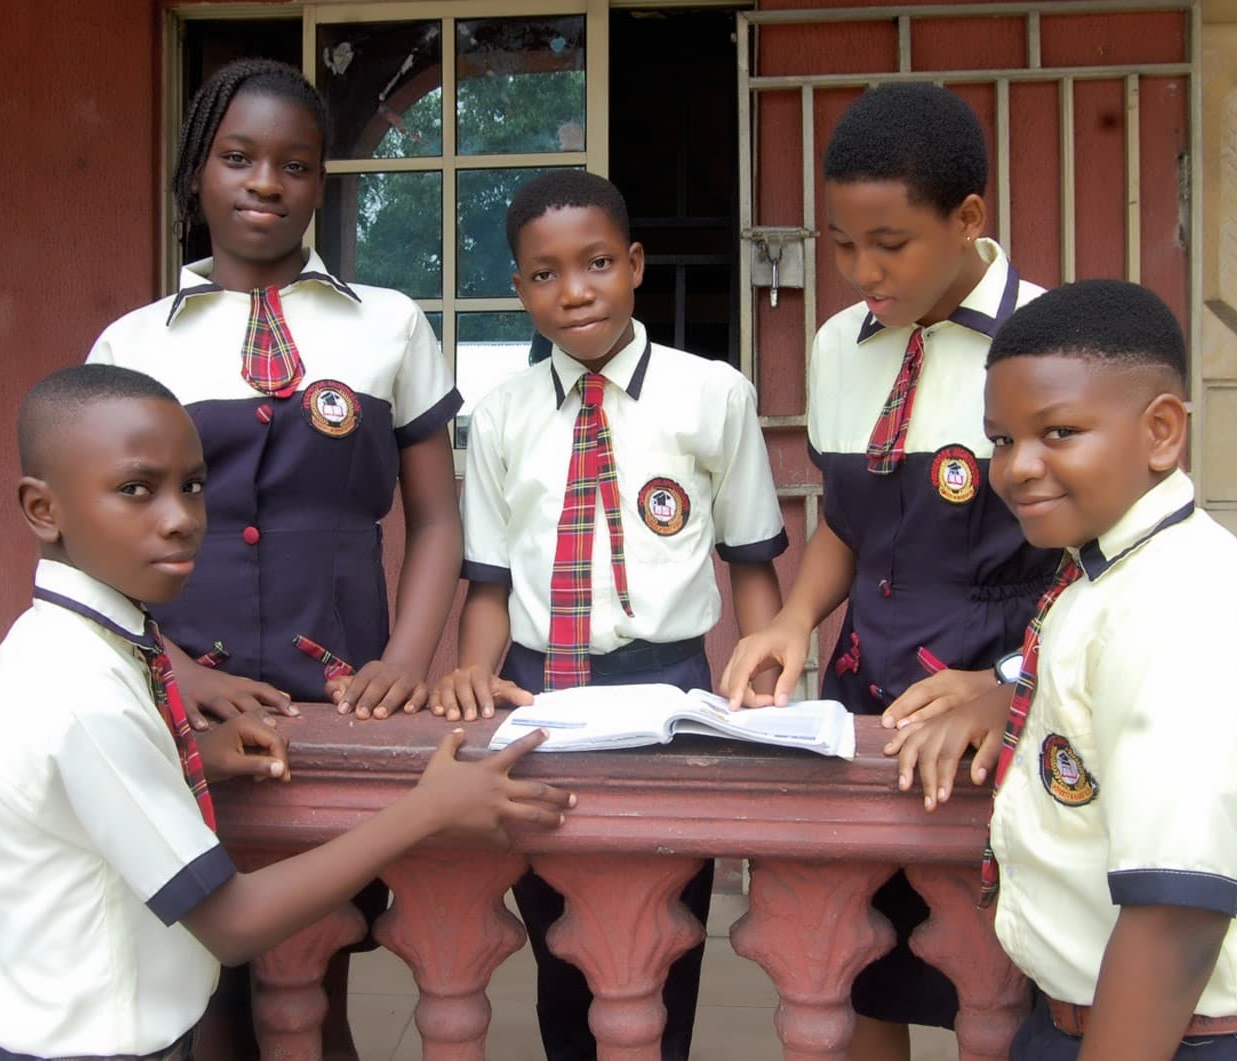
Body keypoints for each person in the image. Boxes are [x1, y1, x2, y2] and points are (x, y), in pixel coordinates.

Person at [0, 364, 572, 1061]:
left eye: (191, 485)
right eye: (135, 489)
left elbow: (77, 798)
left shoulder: (69, 641)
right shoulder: (78, 689)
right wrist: (428, 809)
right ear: (43, 508)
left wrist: (191, 759)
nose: (181, 517)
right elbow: (234, 923)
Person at [87, 59, 463, 1056]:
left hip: (336, 696)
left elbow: (434, 520)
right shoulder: (131, 345)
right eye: (238, 158)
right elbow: (98, 549)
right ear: (196, 173)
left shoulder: (387, 325)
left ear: (320, 183)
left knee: (314, 971)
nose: (265, 182)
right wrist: (178, 669)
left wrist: (405, 660)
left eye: (294, 164)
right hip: (182, 699)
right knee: (198, 986)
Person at [889, 279, 1237, 1059]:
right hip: (1097, 1018)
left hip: (1196, 1037)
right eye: (1001, 440)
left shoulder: (1180, 608)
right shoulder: (1110, 572)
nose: (1018, 468)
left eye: (1059, 431)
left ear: (1161, 431)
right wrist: (1008, 695)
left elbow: (1175, 915)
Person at [720, 82, 1058, 1058]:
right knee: (860, 962)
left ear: (966, 220)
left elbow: (1095, 570)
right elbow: (852, 525)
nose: (860, 270)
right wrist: (791, 622)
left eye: (889, 243)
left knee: (995, 981)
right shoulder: (838, 345)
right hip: (868, 703)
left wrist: (1006, 691)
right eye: (840, 243)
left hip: (999, 711)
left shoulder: (1051, 343)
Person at [429, 169, 787, 1060]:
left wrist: (766, 675)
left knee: (669, 925)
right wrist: (475, 676)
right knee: (558, 928)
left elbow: (750, 562)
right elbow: (486, 578)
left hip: (671, 685)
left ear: (633, 264)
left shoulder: (714, 395)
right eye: (544, 273)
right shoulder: (501, 414)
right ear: (518, 289)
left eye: (594, 263)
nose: (574, 289)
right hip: (538, 687)